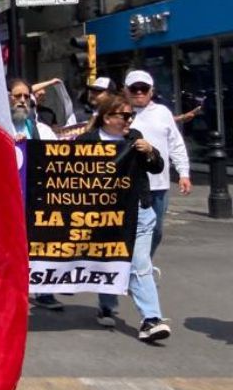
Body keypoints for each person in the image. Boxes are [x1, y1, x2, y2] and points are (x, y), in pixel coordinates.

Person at [78, 95, 171, 342]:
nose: (130, 120)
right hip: (103, 216)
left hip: (138, 210)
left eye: (132, 116)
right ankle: (107, 304)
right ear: (108, 118)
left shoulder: (134, 137)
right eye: (125, 116)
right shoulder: (87, 141)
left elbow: (156, 167)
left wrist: (151, 152)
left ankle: (151, 319)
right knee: (109, 260)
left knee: (140, 265)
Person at [10, 77, 65, 310]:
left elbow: (56, 156)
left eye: (25, 97)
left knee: (40, 243)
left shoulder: (40, 129)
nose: (22, 101)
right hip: (5, 199)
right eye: (17, 96)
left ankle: (43, 291)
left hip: (34, 197)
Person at [125, 70, 190, 258]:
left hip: (158, 185)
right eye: (134, 88)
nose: (139, 92)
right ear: (126, 90)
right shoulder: (118, 113)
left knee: (156, 231)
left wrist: (183, 173)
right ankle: (135, 271)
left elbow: (175, 144)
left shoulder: (163, 113)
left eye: (143, 88)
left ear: (151, 91)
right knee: (129, 230)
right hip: (129, 185)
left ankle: (143, 266)